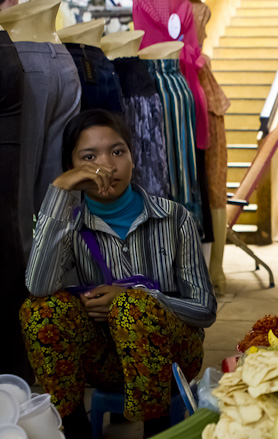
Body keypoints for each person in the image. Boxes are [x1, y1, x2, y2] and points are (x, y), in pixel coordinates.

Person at [19, 110, 217, 439]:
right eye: (89, 157)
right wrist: (60, 189)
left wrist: (139, 298)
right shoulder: (68, 223)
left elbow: (205, 309)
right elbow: (38, 286)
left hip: (173, 359)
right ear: (72, 168)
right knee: (40, 311)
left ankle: (156, 430)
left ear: (132, 157)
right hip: (107, 363)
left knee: (132, 306)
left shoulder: (173, 218)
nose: (107, 167)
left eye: (117, 152)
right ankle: (75, 428)